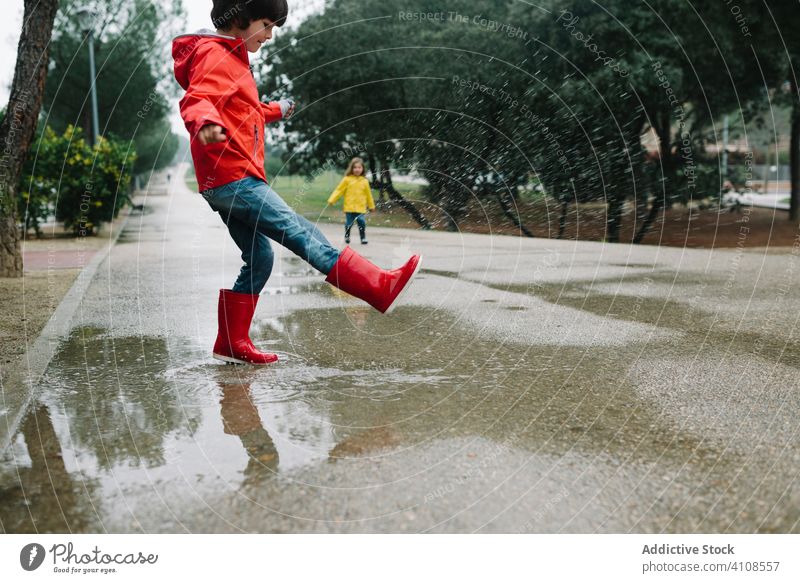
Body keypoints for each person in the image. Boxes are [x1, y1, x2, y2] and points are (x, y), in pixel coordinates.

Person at [172, 0, 421, 365]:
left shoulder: (234, 58)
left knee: (259, 257)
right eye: (267, 24)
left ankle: (231, 342)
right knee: (300, 232)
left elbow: (245, 111)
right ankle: (378, 287)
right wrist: (206, 123)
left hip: (226, 180)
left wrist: (277, 109)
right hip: (235, 177)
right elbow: (197, 99)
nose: (271, 35)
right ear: (240, 19)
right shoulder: (213, 53)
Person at [327, 157, 375, 244]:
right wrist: (332, 200)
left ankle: (363, 238)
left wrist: (371, 206)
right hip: (349, 207)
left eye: (359, 167)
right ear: (351, 168)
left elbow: (369, 195)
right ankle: (347, 236)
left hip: (360, 208)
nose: (357, 169)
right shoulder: (347, 179)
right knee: (349, 223)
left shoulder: (364, 181)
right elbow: (339, 190)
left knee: (362, 222)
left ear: (362, 169)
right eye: (355, 167)